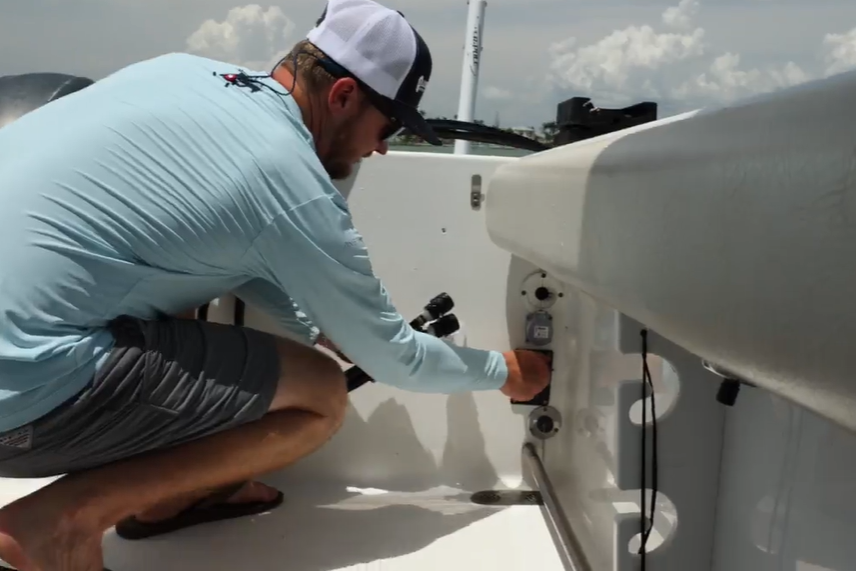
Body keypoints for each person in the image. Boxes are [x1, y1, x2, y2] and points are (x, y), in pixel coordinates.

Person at [0, 0, 552, 569]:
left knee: (182, 293)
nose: (384, 147)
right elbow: (396, 360)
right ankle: (64, 521)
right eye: (387, 125)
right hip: (16, 401)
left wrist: (322, 323)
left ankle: (170, 499)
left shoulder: (179, 71)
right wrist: (507, 373)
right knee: (319, 395)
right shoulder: (292, 181)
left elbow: (232, 250)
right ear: (342, 97)